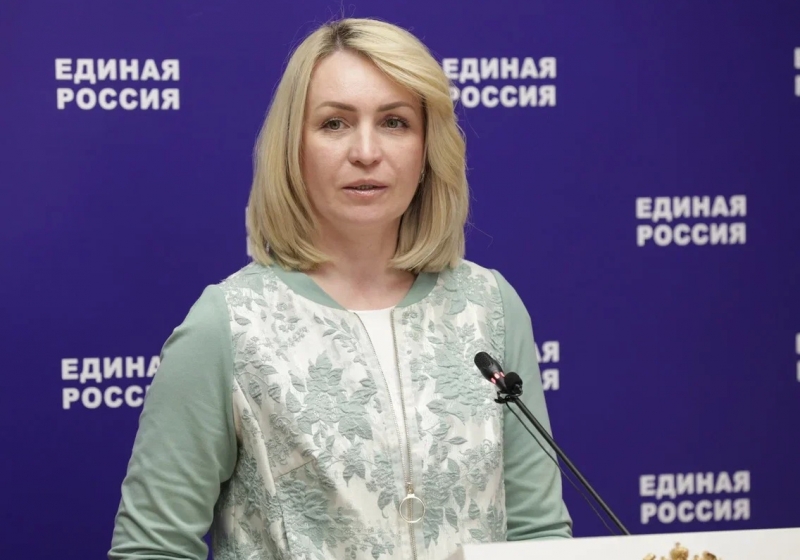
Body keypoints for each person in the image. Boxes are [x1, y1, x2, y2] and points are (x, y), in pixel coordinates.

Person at [109, 17, 572, 560]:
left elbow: (539, 536)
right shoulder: (227, 324)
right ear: (293, 147)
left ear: (427, 149)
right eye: (335, 123)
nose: (366, 151)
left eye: (395, 122)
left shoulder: (490, 307)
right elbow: (152, 550)